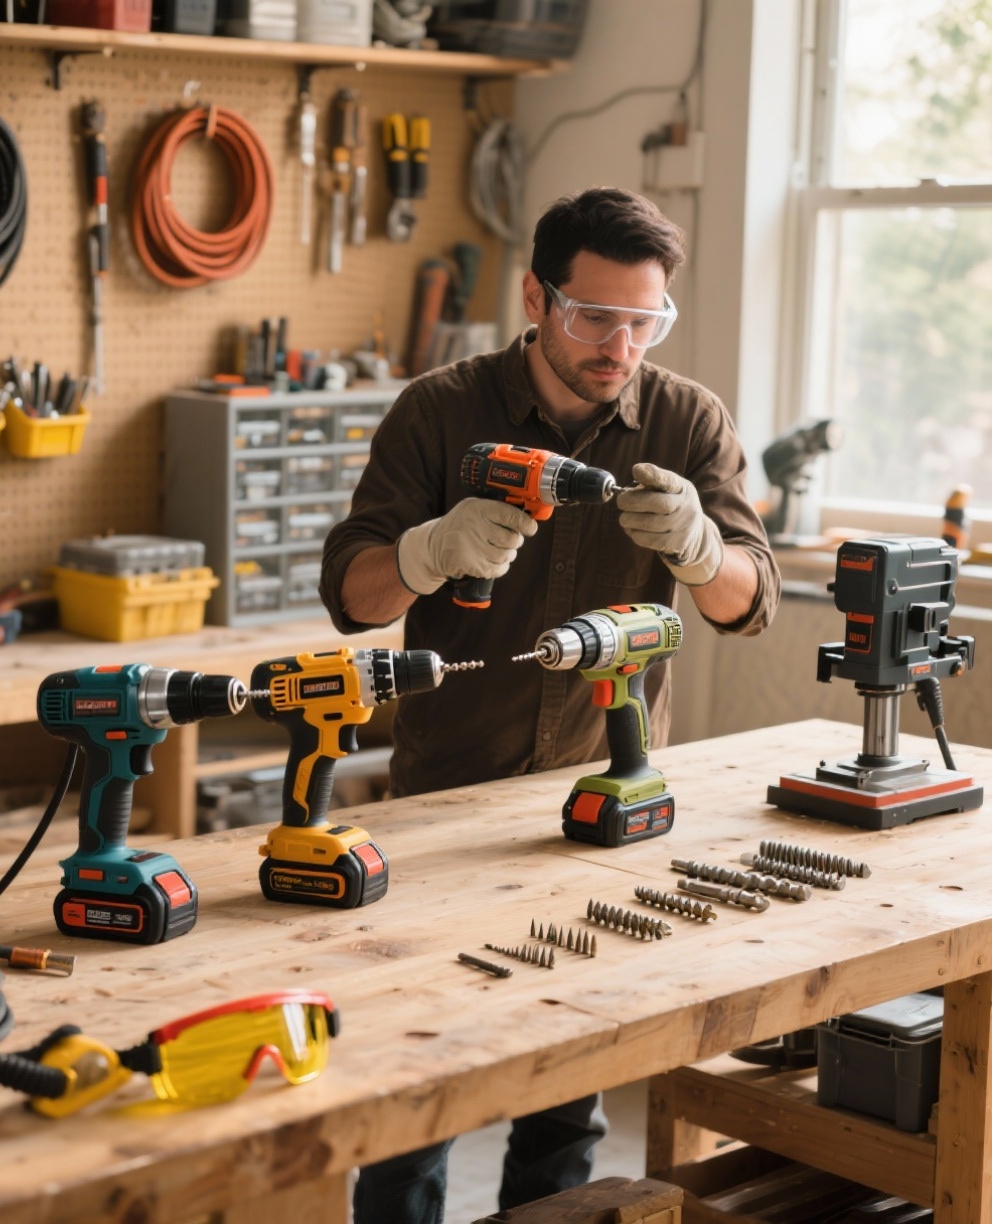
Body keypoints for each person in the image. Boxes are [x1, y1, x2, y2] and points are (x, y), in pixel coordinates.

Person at [319, 187, 780, 1224]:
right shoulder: (439, 410)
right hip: (442, 803)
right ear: (535, 297)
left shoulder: (686, 418)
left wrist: (704, 550)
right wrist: (427, 552)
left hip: (605, 803)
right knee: (413, 1096)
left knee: (569, 1097)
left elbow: (750, 602)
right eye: (592, 318)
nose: (620, 347)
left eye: (643, 322)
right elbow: (352, 596)